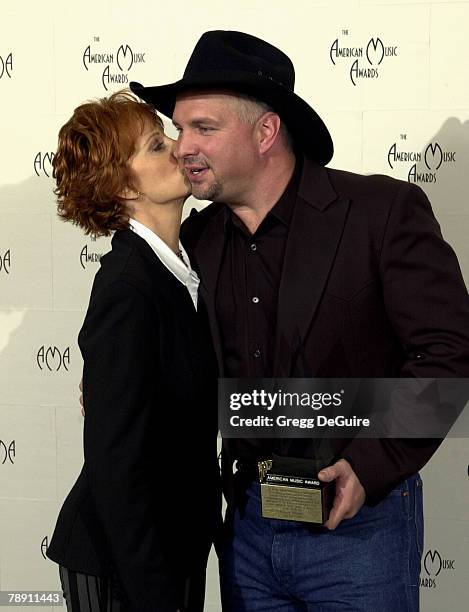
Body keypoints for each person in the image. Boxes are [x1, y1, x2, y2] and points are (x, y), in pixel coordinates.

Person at [130, 30, 469, 611]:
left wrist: (368, 466)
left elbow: (449, 354)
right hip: (245, 533)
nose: (182, 146)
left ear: (266, 132)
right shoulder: (196, 241)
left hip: (359, 529)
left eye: (203, 128)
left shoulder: (380, 213)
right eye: (179, 128)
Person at [47, 91, 221, 612]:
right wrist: (153, 592)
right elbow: (115, 463)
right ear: (122, 186)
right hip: (124, 563)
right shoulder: (127, 289)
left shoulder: (187, 266)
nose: (178, 147)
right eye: (155, 145)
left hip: (176, 548)